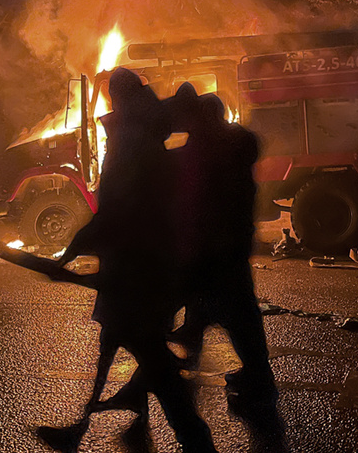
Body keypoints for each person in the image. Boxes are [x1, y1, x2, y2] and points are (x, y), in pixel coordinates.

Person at [35, 68, 217, 453]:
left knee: (150, 356)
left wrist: (67, 256)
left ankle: (194, 439)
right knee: (114, 341)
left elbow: (113, 214)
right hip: (142, 267)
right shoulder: (147, 139)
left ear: (119, 100)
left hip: (136, 272)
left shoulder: (130, 145)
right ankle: (90, 426)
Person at [167, 86, 287, 451]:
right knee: (235, 316)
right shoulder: (239, 143)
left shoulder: (203, 150)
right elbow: (248, 140)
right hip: (232, 248)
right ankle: (250, 375)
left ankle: (255, 382)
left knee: (230, 314)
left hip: (211, 252)